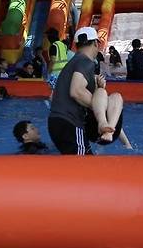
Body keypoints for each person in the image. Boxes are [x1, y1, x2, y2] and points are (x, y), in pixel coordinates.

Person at [48, 26, 132, 155]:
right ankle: (105, 126)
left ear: (76, 46)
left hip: (59, 121)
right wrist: (103, 108)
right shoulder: (85, 61)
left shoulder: (74, 63)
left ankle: (106, 128)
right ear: (95, 43)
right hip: (69, 123)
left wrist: (99, 93)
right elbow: (76, 91)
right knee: (83, 167)